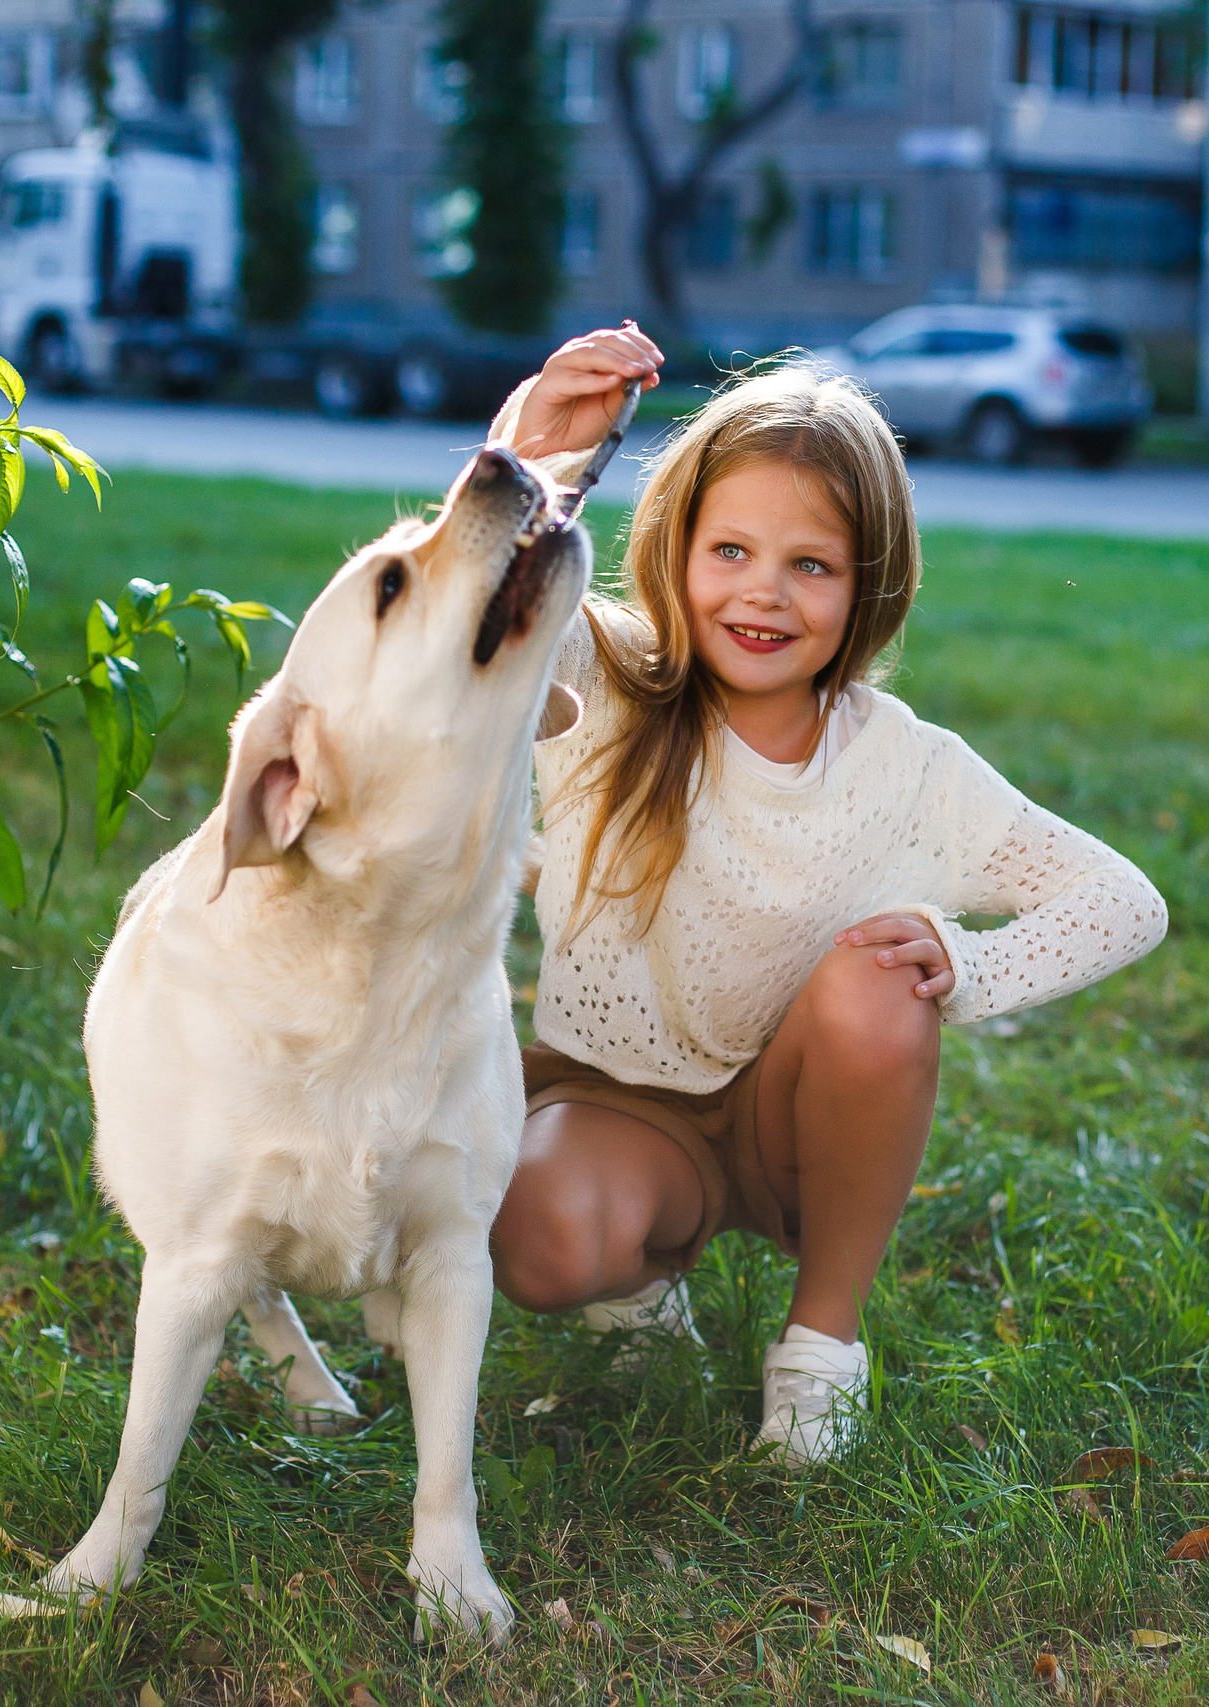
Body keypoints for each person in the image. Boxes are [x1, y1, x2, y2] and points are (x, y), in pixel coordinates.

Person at [480, 324, 1168, 1464]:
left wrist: (970, 958)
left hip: (802, 1123)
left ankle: (817, 1353)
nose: (764, 594)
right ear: (674, 548)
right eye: (731, 551)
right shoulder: (600, 679)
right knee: (544, 1242)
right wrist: (529, 461)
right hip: (622, 1109)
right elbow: (475, 620)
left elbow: (1122, 899)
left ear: (868, 587)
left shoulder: (905, 766)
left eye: (811, 565)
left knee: (881, 977)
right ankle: (642, 1289)